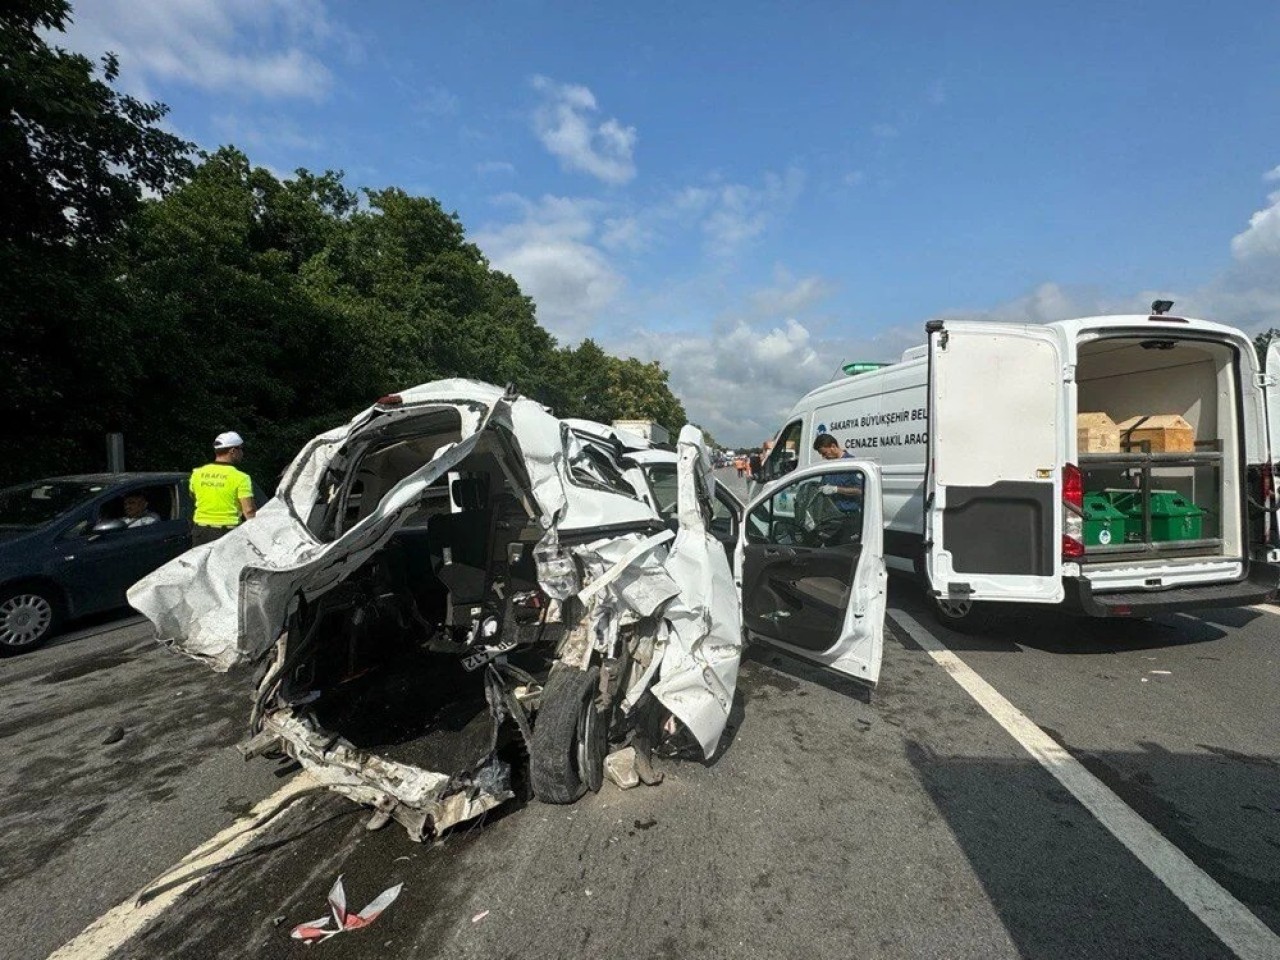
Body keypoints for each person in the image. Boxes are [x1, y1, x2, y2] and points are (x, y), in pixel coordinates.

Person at [190, 431, 257, 547]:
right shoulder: (241, 478)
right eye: (241, 449)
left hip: (200, 531)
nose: (242, 453)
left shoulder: (197, 473)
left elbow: (193, 496)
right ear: (233, 451)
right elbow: (249, 510)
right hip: (227, 532)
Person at [812, 433, 863, 512]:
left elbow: (860, 490)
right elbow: (824, 484)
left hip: (849, 515)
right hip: (832, 515)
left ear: (833, 446)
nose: (824, 457)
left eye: (825, 453)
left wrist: (836, 489)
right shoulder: (829, 466)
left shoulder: (852, 464)